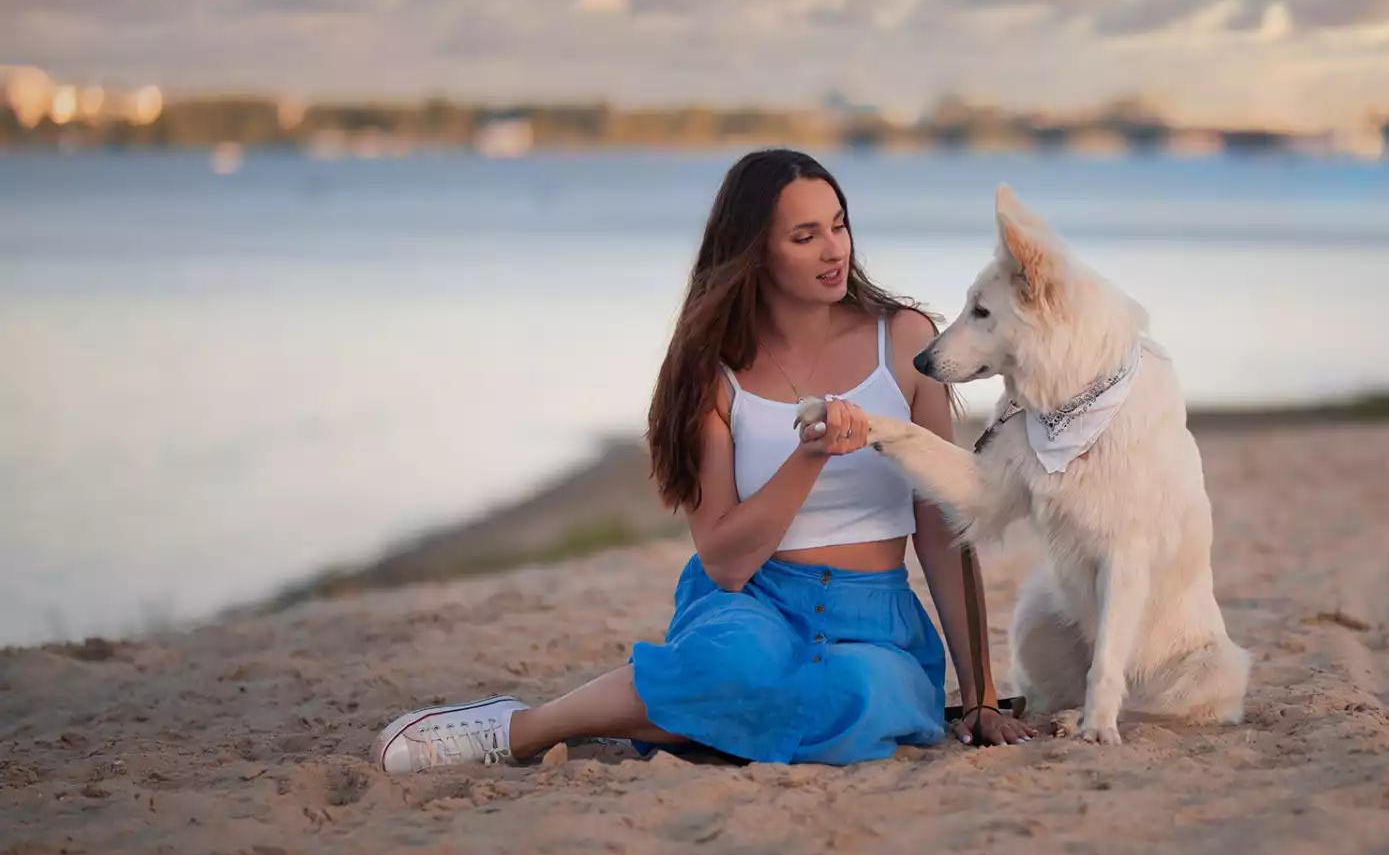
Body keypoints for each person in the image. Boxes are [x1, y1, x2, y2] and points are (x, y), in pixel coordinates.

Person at [375, 149, 1037, 774]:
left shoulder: (908, 341)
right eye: (804, 236)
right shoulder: (712, 371)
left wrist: (979, 693)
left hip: (875, 619)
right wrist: (808, 459)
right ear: (755, 252)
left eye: (838, 226)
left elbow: (945, 526)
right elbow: (725, 559)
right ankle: (523, 730)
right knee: (731, 670)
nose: (835, 249)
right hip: (754, 602)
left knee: (871, 696)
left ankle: (678, 713)